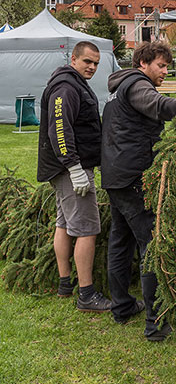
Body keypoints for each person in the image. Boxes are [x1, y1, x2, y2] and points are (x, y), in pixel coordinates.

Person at [101, 41, 176, 340]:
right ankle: (156, 324)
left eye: (167, 66)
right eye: (161, 65)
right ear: (143, 62)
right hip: (133, 178)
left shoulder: (117, 88)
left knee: (120, 241)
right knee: (150, 246)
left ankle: (122, 307)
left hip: (115, 175)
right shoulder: (138, 85)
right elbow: (159, 106)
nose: (166, 71)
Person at [37, 41, 111, 312]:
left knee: (64, 224)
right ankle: (86, 294)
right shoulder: (66, 86)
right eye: (87, 61)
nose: (92, 67)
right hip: (71, 170)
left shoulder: (72, 82)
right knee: (87, 228)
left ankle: (65, 283)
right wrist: (74, 167)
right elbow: (59, 128)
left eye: (96, 63)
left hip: (67, 168)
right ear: (74, 58)